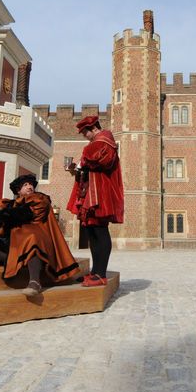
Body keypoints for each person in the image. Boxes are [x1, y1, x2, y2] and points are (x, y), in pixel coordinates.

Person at [0, 174, 81, 297]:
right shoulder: (10, 204)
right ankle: (18, 262)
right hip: (14, 241)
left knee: (31, 238)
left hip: (38, 238)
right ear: (18, 190)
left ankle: (34, 282)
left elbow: (26, 214)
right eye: (25, 185)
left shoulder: (40, 199)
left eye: (31, 184)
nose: (30, 187)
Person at [66, 116, 124, 287]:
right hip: (91, 192)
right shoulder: (97, 143)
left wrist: (83, 160)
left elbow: (100, 160)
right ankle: (95, 272)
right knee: (92, 232)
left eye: (85, 132)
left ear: (93, 128)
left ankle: (101, 274)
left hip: (101, 194)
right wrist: (77, 167)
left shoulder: (105, 140)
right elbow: (90, 163)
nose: (84, 136)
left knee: (100, 231)